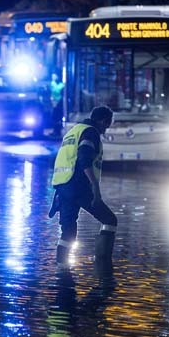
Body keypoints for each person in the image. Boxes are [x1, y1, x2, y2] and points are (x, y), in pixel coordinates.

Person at [48, 106, 117, 264]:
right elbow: (84, 159)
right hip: (78, 186)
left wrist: (60, 193)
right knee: (110, 220)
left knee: (68, 233)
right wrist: (95, 188)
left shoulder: (73, 131)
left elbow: (62, 161)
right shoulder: (91, 132)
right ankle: (103, 265)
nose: (106, 129)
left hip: (63, 188)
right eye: (107, 124)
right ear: (102, 121)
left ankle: (62, 271)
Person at [49, 73, 64, 137]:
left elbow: (56, 91)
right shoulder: (52, 83)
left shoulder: (61, 85)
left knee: (57, 118)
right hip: (54, 103)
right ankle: (56, 131)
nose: (53, 77)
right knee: (55, 118)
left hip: (59, 103)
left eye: (54, 76)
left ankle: (57, 132)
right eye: (52, 76)